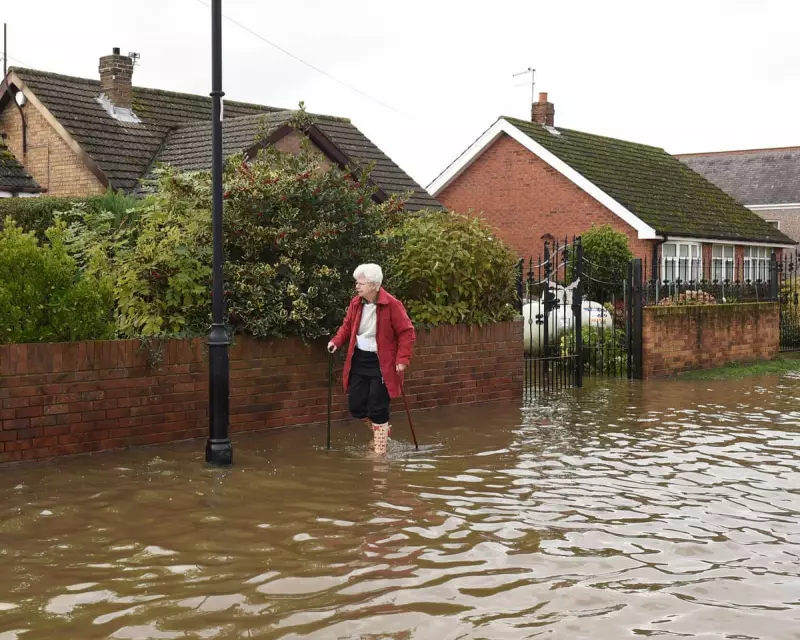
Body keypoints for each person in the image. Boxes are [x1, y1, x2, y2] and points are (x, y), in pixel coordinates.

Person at [327, 264, 415, 455]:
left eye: (361, 283)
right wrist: (336, 341)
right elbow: (347, 327)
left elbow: (406, 332)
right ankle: (383, 429)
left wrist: (402, 358)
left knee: (377, 405)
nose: (357, 286)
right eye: (357, 283)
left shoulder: (392, 304)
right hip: (359, 359)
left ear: (374, 285)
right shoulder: (355, 303)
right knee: (356, 406)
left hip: (382, 363)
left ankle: (379, 454)